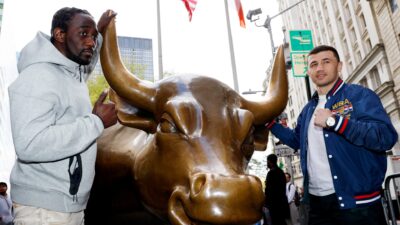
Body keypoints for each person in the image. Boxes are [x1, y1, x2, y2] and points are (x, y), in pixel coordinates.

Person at [8, 7, 118, 225]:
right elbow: (29, 143)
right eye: (84, 34)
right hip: (43, 212)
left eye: (93, 37)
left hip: (67, 208)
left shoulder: (69, 74)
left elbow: (85, 66)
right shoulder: (38, 76)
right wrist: (96, 122)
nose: (91, 43)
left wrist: (103, 34)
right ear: (59, 35)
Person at [267, 45, 398, 225]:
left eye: (326, 62)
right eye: (313, 64)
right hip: (317, 204)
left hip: (358, 204)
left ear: (339, 66)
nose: (319, 68)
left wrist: (336, 122)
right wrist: (270, 124)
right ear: (309, 72)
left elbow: (385, 137)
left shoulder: (359, 95)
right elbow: (297, 141)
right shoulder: (307, 110)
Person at [264, 154, 290, 225]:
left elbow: (269, 190)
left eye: (267, 161)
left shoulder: (271, 173)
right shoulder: (281, 172)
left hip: (274, 206)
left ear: (269, 162)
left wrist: (265, 202)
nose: (267, 163)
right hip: (282, 204)